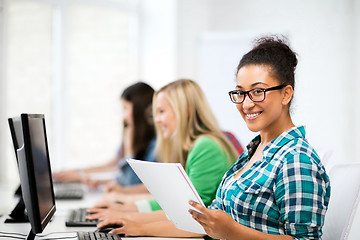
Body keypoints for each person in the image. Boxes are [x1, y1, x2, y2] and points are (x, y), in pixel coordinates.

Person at [188, 35, 331, 239]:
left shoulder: (297, 159)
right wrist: (134, 226)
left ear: (286, 94)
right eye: (240, 93)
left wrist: (232, 232)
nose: (246, 104)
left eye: (257, 91)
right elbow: (210, 219)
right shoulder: (252, 152)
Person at [87, 79, 239, 237]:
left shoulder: (206, 146)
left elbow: (190, 214)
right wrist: (125, 209)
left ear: (185, 110)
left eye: (161, 111)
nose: (157, 120)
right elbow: (172, 204)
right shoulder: (192, 146)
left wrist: (132, 220)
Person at [53, 82, 156, 189]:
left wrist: (129, 150)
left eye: (125, 108)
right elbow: (116, 164)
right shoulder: (132, 134)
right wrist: (79, 172)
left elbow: (131, 181)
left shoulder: (154, 145)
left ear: (138, 110)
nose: (123, 117)